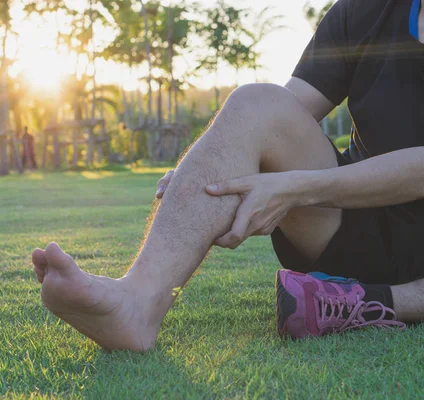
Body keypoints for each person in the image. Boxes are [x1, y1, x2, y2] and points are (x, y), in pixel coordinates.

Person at [32, 0, 424, 351]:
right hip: (352, 227)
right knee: (257, 102)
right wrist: (207, 165)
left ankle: (371, 301)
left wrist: (297, 189)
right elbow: (275, 114)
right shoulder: (367, 11)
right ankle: (135, 303)